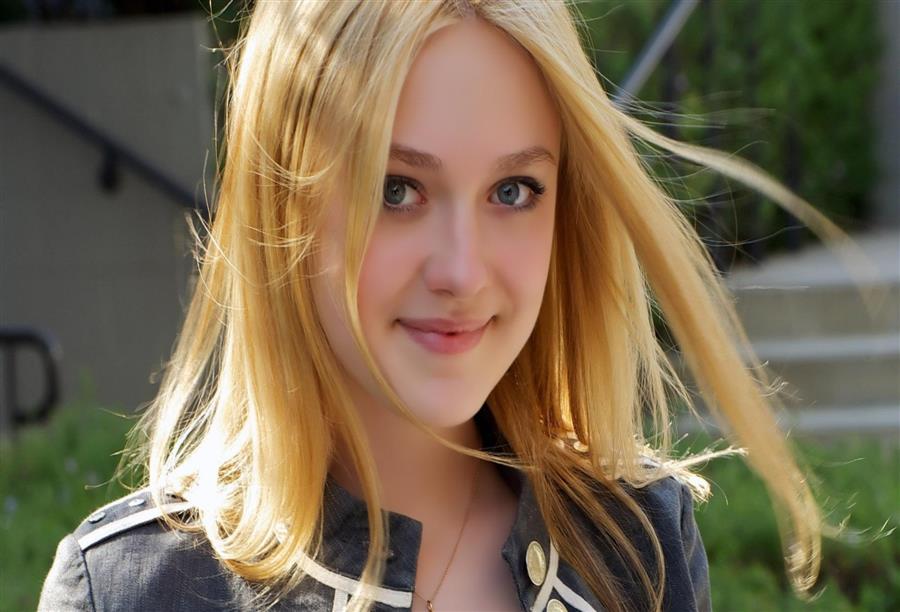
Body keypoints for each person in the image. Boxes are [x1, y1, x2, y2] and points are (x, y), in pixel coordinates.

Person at [38, 1, 856, 611]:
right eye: (396, 189)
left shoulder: (638, 551)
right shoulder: (131, 590)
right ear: (282, 205)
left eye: (514, 190)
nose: (463, 272)